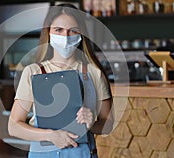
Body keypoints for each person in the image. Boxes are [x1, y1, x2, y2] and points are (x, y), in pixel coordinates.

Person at [8, 4, 113, 158]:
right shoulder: (33, 72)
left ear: (81, 34)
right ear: (48, 32)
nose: (65, 36)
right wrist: (50, 136)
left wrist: (91, 124)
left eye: (73, 31)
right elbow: (14, 126)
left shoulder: (94, 73)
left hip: (82, 153)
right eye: (59, 30)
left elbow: (108, 124)